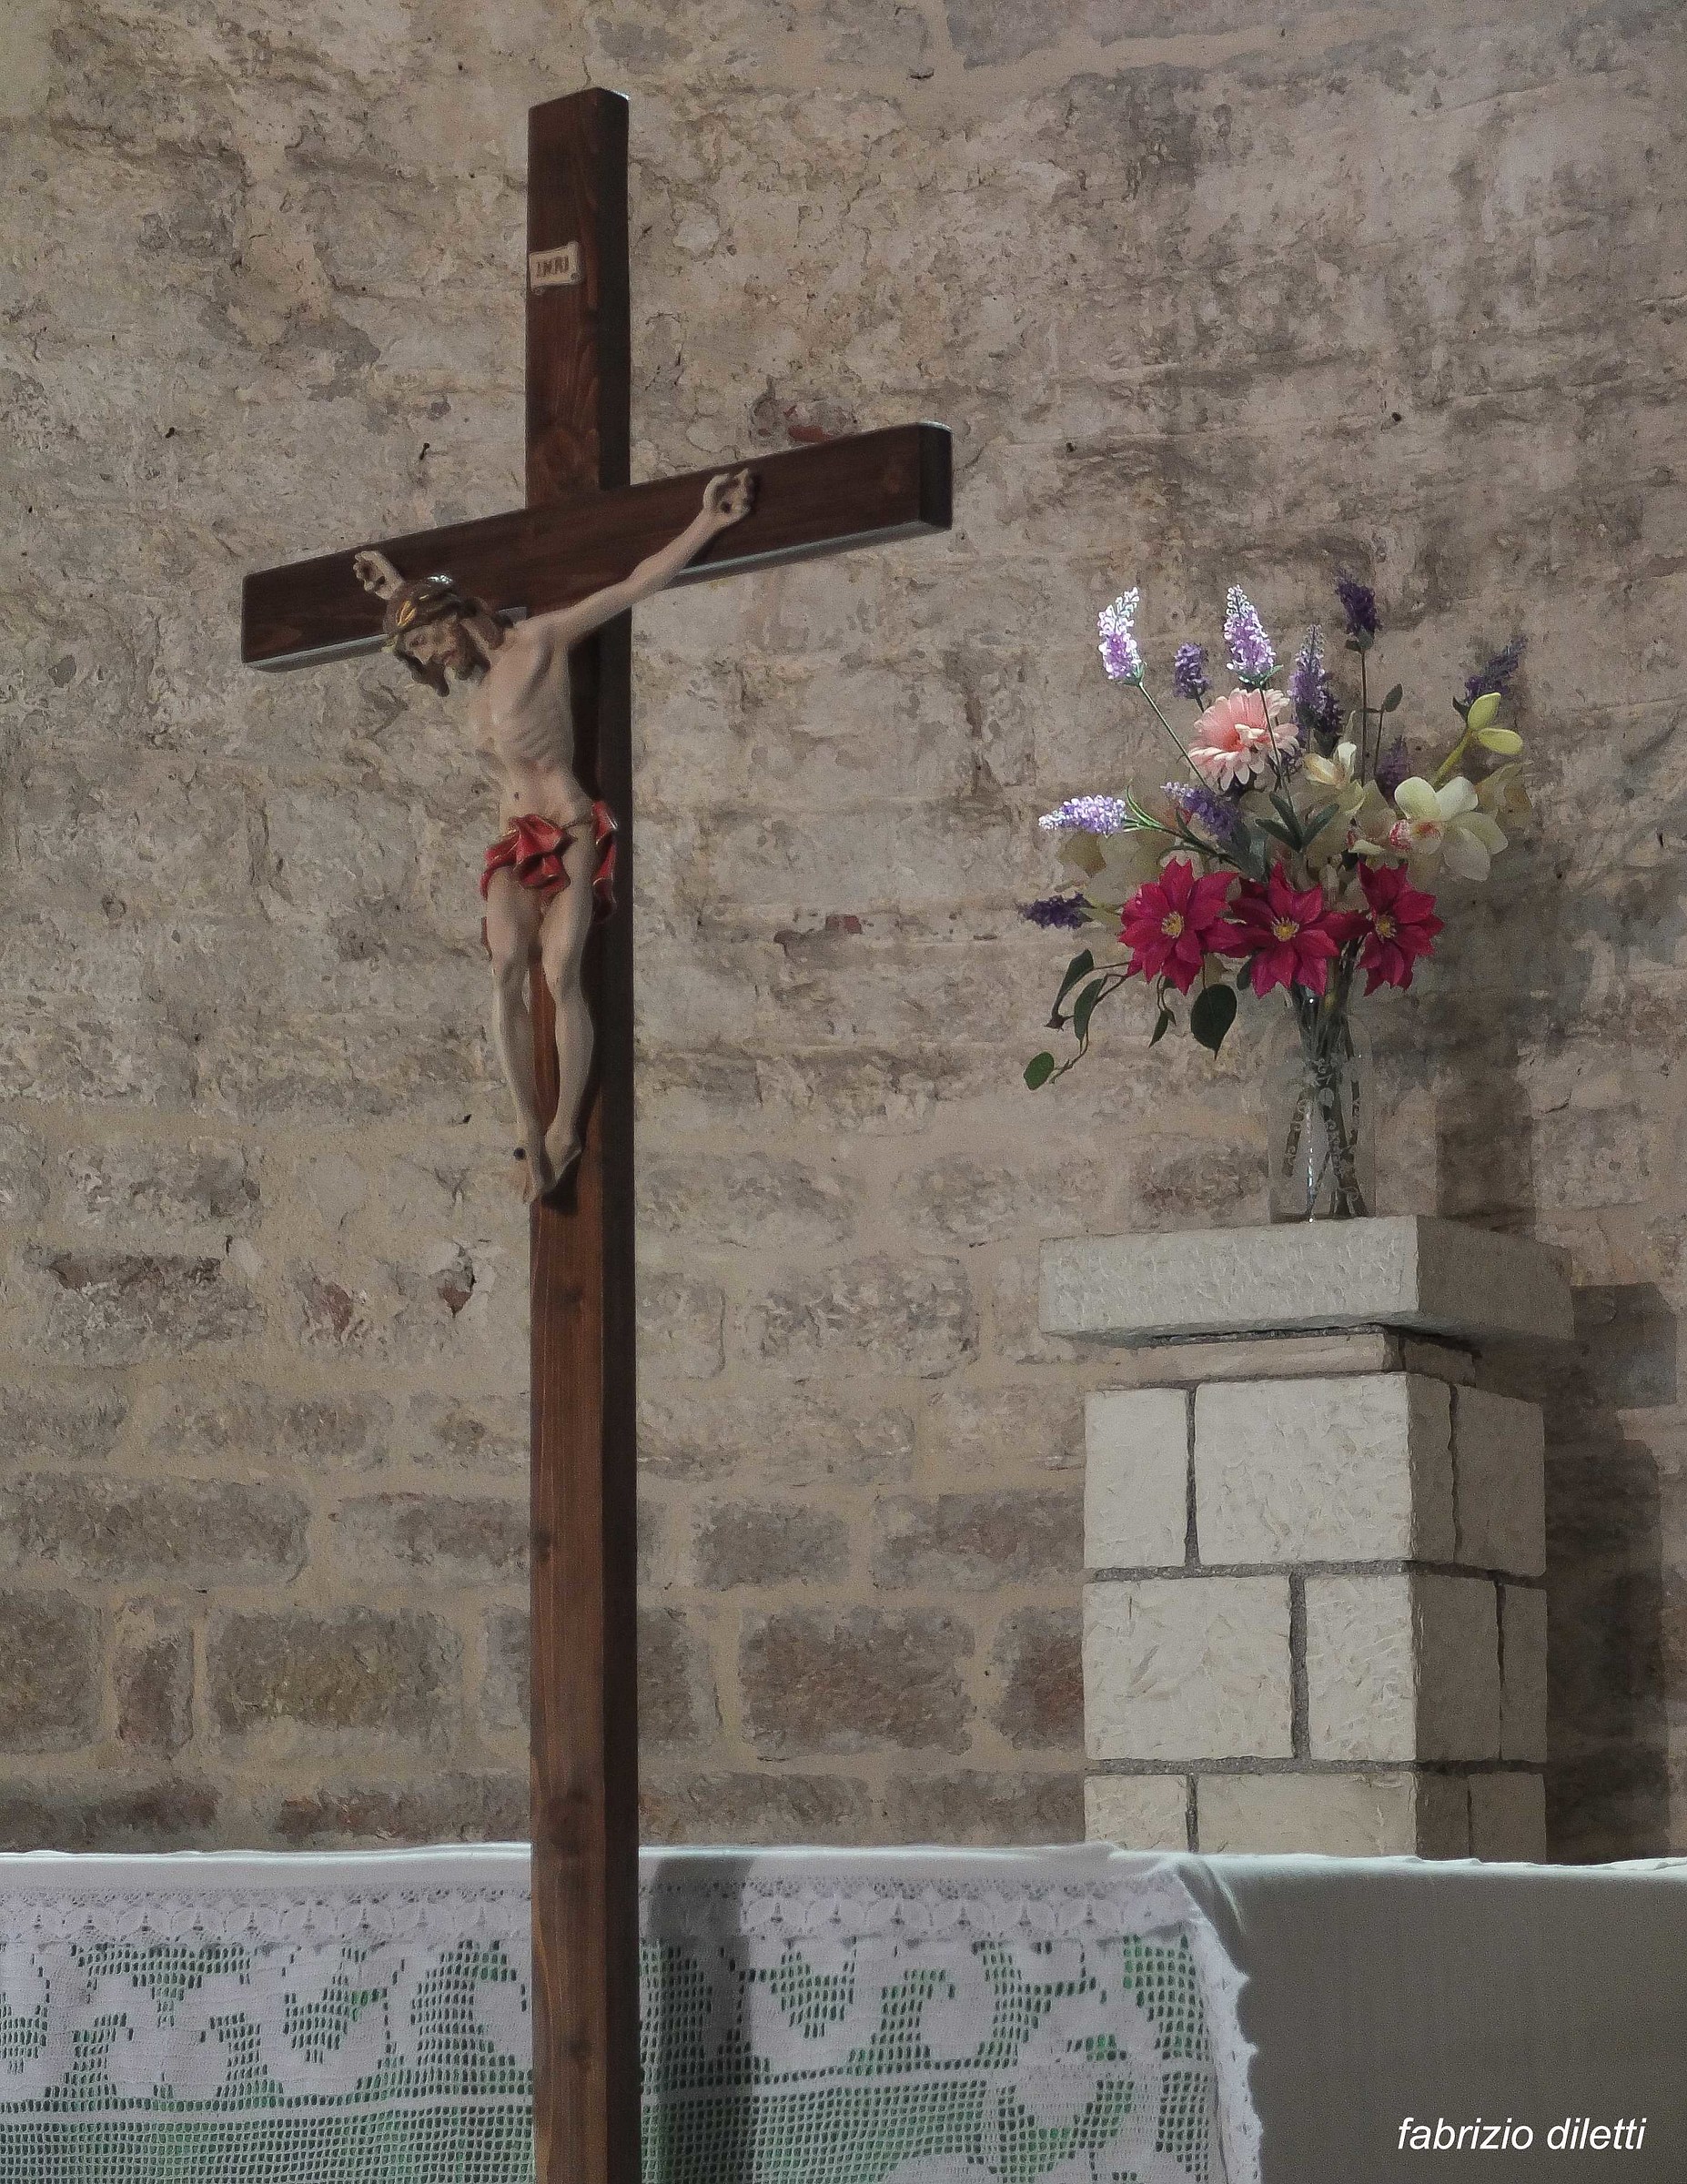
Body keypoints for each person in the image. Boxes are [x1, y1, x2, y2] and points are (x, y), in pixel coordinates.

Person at [353, 467, 755, 1198]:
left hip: (568, 826)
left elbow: (631, 586)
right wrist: (395, 591)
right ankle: (523, 1127)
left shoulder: (540, 643)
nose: (436, 663)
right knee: (504, 965)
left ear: (455, 619)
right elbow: (420, 606)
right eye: (422, 659)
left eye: (433, 647)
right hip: (512, 840)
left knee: (559, 971)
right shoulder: (470, 676)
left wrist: (708, 524)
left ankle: (565, 1127)